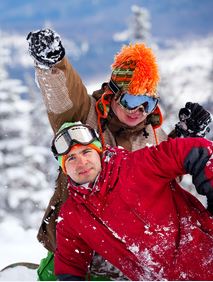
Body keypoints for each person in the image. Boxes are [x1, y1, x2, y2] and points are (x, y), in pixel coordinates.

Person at [26, 29, 212, 280]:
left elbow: (159, 181)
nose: (138, 110)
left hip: (129, 257)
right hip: (80, 240)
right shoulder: (88, 117)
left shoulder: (151, 134)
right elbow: (64, 102)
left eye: (147, 103)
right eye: (132, 99)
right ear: (114, 92)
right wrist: (53, 66)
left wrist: (183, 136)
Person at [51, 121, 213, 281]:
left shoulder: (138, 165)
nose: (82, 162)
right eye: (71, 158)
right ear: (64, 168)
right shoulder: (71, 217)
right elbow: (69, 266)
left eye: (86, 152)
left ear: (98, 152)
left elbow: (201, 152)